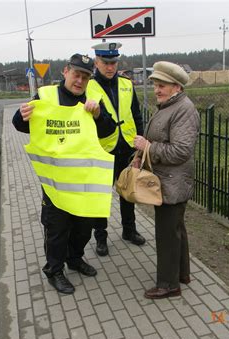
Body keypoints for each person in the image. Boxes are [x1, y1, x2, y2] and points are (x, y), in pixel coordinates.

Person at [12, 53, 117, 294]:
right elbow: (21, 124)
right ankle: (54, 270)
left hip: (85, 182)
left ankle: (75, 258)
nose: (80, 81)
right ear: (66, 72)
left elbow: (109, 130)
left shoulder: (93, 99)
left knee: (83, 228)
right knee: (57, 231)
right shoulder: (47, 96)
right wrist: (21, 115)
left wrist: (99, 114)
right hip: (55, 184)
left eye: (85, 77)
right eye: (76, 74)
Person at [133, 61, 199, 299]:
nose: (157, 90)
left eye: (162, 85)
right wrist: (141, 155)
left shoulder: (184, 109)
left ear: (177, 87)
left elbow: (181, 151)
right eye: (156, 85)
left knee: (167, 233)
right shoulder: (169, 105)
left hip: (174, 182)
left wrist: (148, 146)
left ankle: (169, 285)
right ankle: (182, 274)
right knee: (176, 228)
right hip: (169, 181)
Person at [87, 41, 145, 257]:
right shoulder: (89, 87)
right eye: (105, 62)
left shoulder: (126, 84)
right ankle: (100, 238)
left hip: (127, 147)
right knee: (101, 197)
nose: (110, 67)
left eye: (113, 62)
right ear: (96, 62)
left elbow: (136, 115)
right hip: (103, 149)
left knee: (127, 193)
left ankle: (129, 231)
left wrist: (139, 143)